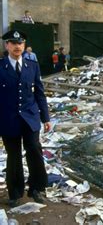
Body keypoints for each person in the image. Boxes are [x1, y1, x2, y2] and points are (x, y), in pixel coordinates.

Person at [0, 30, 51, 208]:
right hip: (8, 119)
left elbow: (40, 92)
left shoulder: (32, 65)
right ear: (7, 45)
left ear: (24, 45)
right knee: (13, 156)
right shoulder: (1, 67)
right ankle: (14, 193)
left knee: (35, 151)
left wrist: (46, 118)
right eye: (13, 43)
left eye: (20, 43)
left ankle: (37, 189)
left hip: (30, 117)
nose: (17, 46)